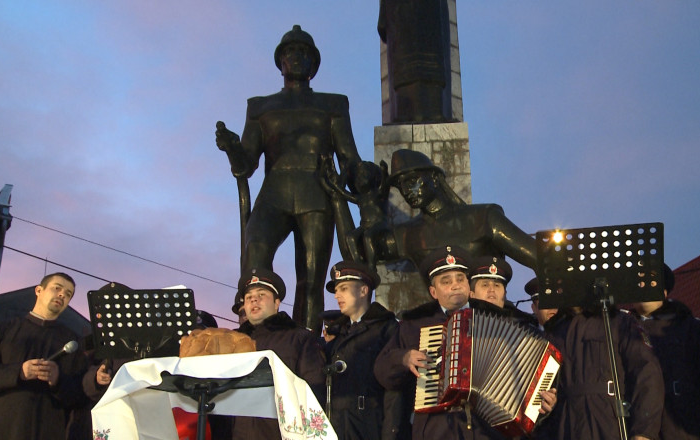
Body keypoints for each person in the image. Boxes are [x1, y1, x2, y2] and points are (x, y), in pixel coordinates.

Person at [216, 24, 363, 331]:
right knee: (255, 250)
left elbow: (350, 159)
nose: (296, 57)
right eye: (290, 52)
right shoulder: (260, 107)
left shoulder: (333, 104)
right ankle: (258, 334)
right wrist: (232, 148)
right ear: (280, 62)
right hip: (274, 194)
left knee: (311, 278)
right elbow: (246, 165)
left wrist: (366, 182)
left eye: (303, 52)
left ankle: (306, 341)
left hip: (317, 195)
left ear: (314, 65)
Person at [374, 246, 554, 440]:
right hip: (437, 431)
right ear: (433, 292)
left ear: (468, 286)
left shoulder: (497, 320)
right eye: (446, 281)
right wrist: (403, 358)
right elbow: (382, 371)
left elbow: (527, 372)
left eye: (460, 279)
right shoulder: (415, 325)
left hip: (487, 431)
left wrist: (542, 401)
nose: (455, 285)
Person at [357, 150, 537, 274]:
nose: (406, 191)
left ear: (434, 178)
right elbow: (357, 252)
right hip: (440, 318)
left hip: (490, 316)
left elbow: (541, 258)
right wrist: (353, 197)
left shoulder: (484, 217)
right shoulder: (406, 235)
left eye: (412, 181)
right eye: (400, 186)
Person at [0, 272, 86, 440]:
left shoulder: (73, 343)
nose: (62, 295)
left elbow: (79, 397)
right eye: (57, 288)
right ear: (39, 290)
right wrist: (18, 372)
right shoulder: (0, 330)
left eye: (68, 294)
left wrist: (57, 380)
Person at [537, 297, 665, 438]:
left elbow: (647, 375)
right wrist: (548, 403)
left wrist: (644, 431)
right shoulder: (554, 332)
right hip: (567, 427)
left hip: (611, 424)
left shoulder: (618, 320)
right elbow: (545, 390)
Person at [631, 264, 700, 439]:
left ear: (664, 292)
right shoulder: (622, 334)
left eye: (651, 281)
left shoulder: (693, 330)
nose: (643, 285)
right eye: (638, 282)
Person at [234, 267, 326, 440]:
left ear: (277, 303)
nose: (254, 300)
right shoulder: (233, 342)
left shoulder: (299, 339)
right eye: (248, 297)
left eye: (261, 295)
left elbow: (314, 391)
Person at [323, 261, 404, 440]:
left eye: (344, 288)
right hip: (338, 428)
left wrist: (391, 434)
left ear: (363, 291)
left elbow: (394, 390)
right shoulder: (338, 335)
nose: (337, 295)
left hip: (371, 428)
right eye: (336, 290)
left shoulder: (387, 329)